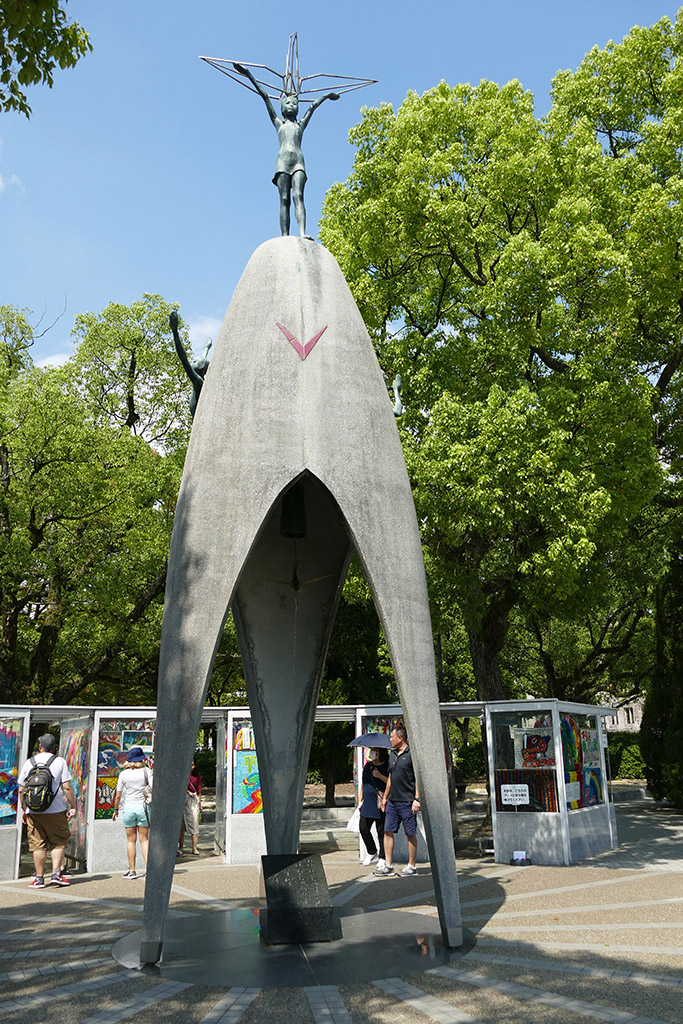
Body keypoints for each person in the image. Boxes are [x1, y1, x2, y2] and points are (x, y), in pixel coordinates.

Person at [232, 62, 339, 237]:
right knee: (284, 200)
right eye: (288, 102)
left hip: (298, 162)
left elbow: (313, 106)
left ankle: (303, 233)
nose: (292, 105)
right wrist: (249, 74)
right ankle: (285, 237)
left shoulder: (300, 125)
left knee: (299, 195)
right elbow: (265, 96)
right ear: (282, 106)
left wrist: (327, 95)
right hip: (282, 163)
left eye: (294, 103)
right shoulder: (278, 123)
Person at [17, 733, 77, 889]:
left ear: (40, 747)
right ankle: (56, 874)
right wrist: (73, 806)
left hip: (33, 811)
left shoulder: (29, 762)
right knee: (58, 841)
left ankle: (39, 878)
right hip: (56, 810)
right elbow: (67, 787)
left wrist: (25, 808)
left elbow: (21, 789)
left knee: (37, 845)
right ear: (54, 748)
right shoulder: (59, 762)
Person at [374, 726, 420, 877]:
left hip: (407, 801)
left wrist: (417, 799)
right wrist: (385, 798)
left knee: (410, 833)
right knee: (387, 831)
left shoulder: (412, 755)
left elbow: (418, 780)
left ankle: (411, 866)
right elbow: (390, 778)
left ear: (400, 738)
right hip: (393, 801)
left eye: (392, 737)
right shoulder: (393, 755)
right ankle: (388, 865)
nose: (390, 740)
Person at [112, 746, 152, 880]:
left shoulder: (124, 774)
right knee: (145, 840)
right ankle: (149, 870)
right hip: (143, 808)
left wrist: (115, 809)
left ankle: (132, 870)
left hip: (128, 807)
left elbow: (118, 795)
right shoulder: (147, 771)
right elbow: (152, 788)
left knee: (131, 840)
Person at [358, 747, 389, 867]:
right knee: (363, 828)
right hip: (368, 802)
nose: (372, 752)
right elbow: (363, 783)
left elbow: (390, 782)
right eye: (371, 750)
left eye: (375, 750)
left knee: (381, 831)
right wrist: (360, 799)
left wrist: (379, 776)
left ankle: (383, 856)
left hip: (381, 801)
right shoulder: (368, 766)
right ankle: (372, 851)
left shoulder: (386, 766)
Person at [178, 759, 202, 856]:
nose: (191, 767)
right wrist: (188, 792)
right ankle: (180, 847)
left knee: (194, 823)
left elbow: (199, 789)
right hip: (183, 801)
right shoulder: (182, 774)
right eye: (190, 765)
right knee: (181, 826)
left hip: (193, 801)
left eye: (193, 765)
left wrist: (200, 803)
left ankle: (194, 847)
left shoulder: (197, 776)